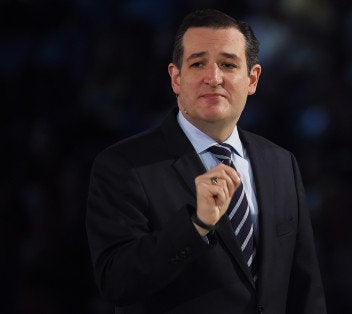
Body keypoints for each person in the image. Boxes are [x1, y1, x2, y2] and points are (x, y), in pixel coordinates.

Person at [85, 9, 327, 313]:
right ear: (176, 78)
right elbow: (117, 282)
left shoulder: (281, 163)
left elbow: (305, 290)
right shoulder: (123, 166)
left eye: (228, 64)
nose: (213, 78)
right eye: (198, 63)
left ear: (252, 79)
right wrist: (195, 226)